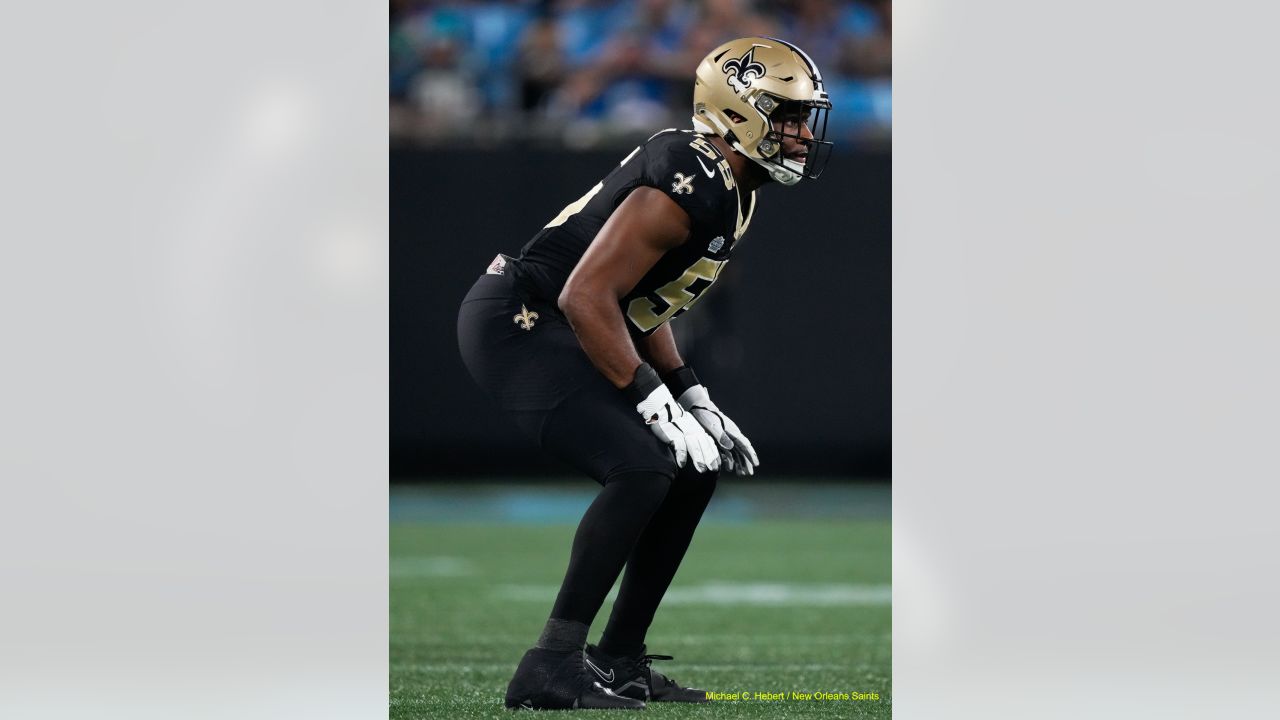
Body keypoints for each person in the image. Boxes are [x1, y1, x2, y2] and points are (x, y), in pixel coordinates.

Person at [456, 36, 833, 711]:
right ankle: (550, 662)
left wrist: (692, 394)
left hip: (569, 320)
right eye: (787, 115)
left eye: (805, 117)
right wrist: (652, 400)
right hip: (522, 319)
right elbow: (585, 294)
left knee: (695, 465)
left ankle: (619, 659)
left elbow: (642, 301)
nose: (803, 133)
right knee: (643, 464)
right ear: (738, 112)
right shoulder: (692, 174)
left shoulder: (733, 185)